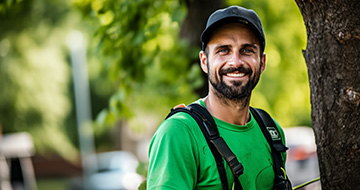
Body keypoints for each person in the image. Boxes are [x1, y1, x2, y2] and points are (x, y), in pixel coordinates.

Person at [147, 5, 288, 190]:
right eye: (223, 50)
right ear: (204, 62)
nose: (235, 62)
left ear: (262, 63)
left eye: (247, 50)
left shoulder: (271, 131)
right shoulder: (179, 133)